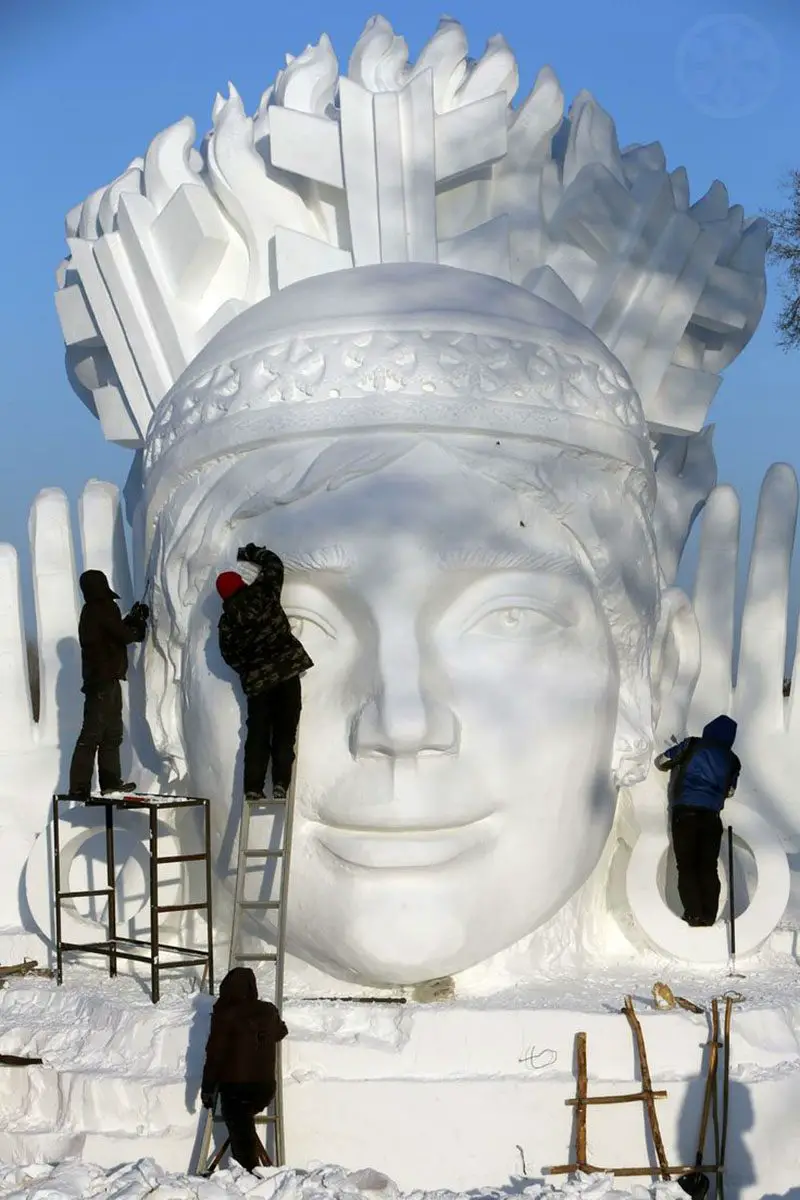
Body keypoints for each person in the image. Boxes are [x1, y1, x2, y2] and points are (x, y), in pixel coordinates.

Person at [216, 544, 312, 800]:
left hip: (258, 684)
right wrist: (250, 553)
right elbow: (274, 565)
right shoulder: (263, 593)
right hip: (286, 671)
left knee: (258, 733)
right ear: (241, 583)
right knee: (285, 729)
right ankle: (280, 782)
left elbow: (228, 656)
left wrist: (249, 668)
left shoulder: (227, 623)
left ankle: (253, 787)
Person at [68, 570, 149, 799]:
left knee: (108, 733)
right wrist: (137, 625)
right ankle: (85, 787)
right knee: (96, 734)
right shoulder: (103, 608)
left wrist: (130, 623)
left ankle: (104, 783)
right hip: (104, 681)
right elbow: (122, 635)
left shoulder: (91, 611)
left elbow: (111, 633)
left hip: (101, 680)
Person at [655, 715, 741, 927]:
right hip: (711, 818)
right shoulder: (733, 760)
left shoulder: (693, 744)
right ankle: (708, 915)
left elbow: (662, 762)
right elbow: (730, 791)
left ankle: (693, 914)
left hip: (685, 813)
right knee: (707, 866)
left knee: (686, 865)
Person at [200, 966, 288, 1172]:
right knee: (242, 1124)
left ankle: (249, 1173)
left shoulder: (224, 1014)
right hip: (265, 1089)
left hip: (235, 1089)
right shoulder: (268, 1010)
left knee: (239, 1123)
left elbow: (214, 1055)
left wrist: (207, 1089)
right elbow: (282, 1030)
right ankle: (252, 1170)